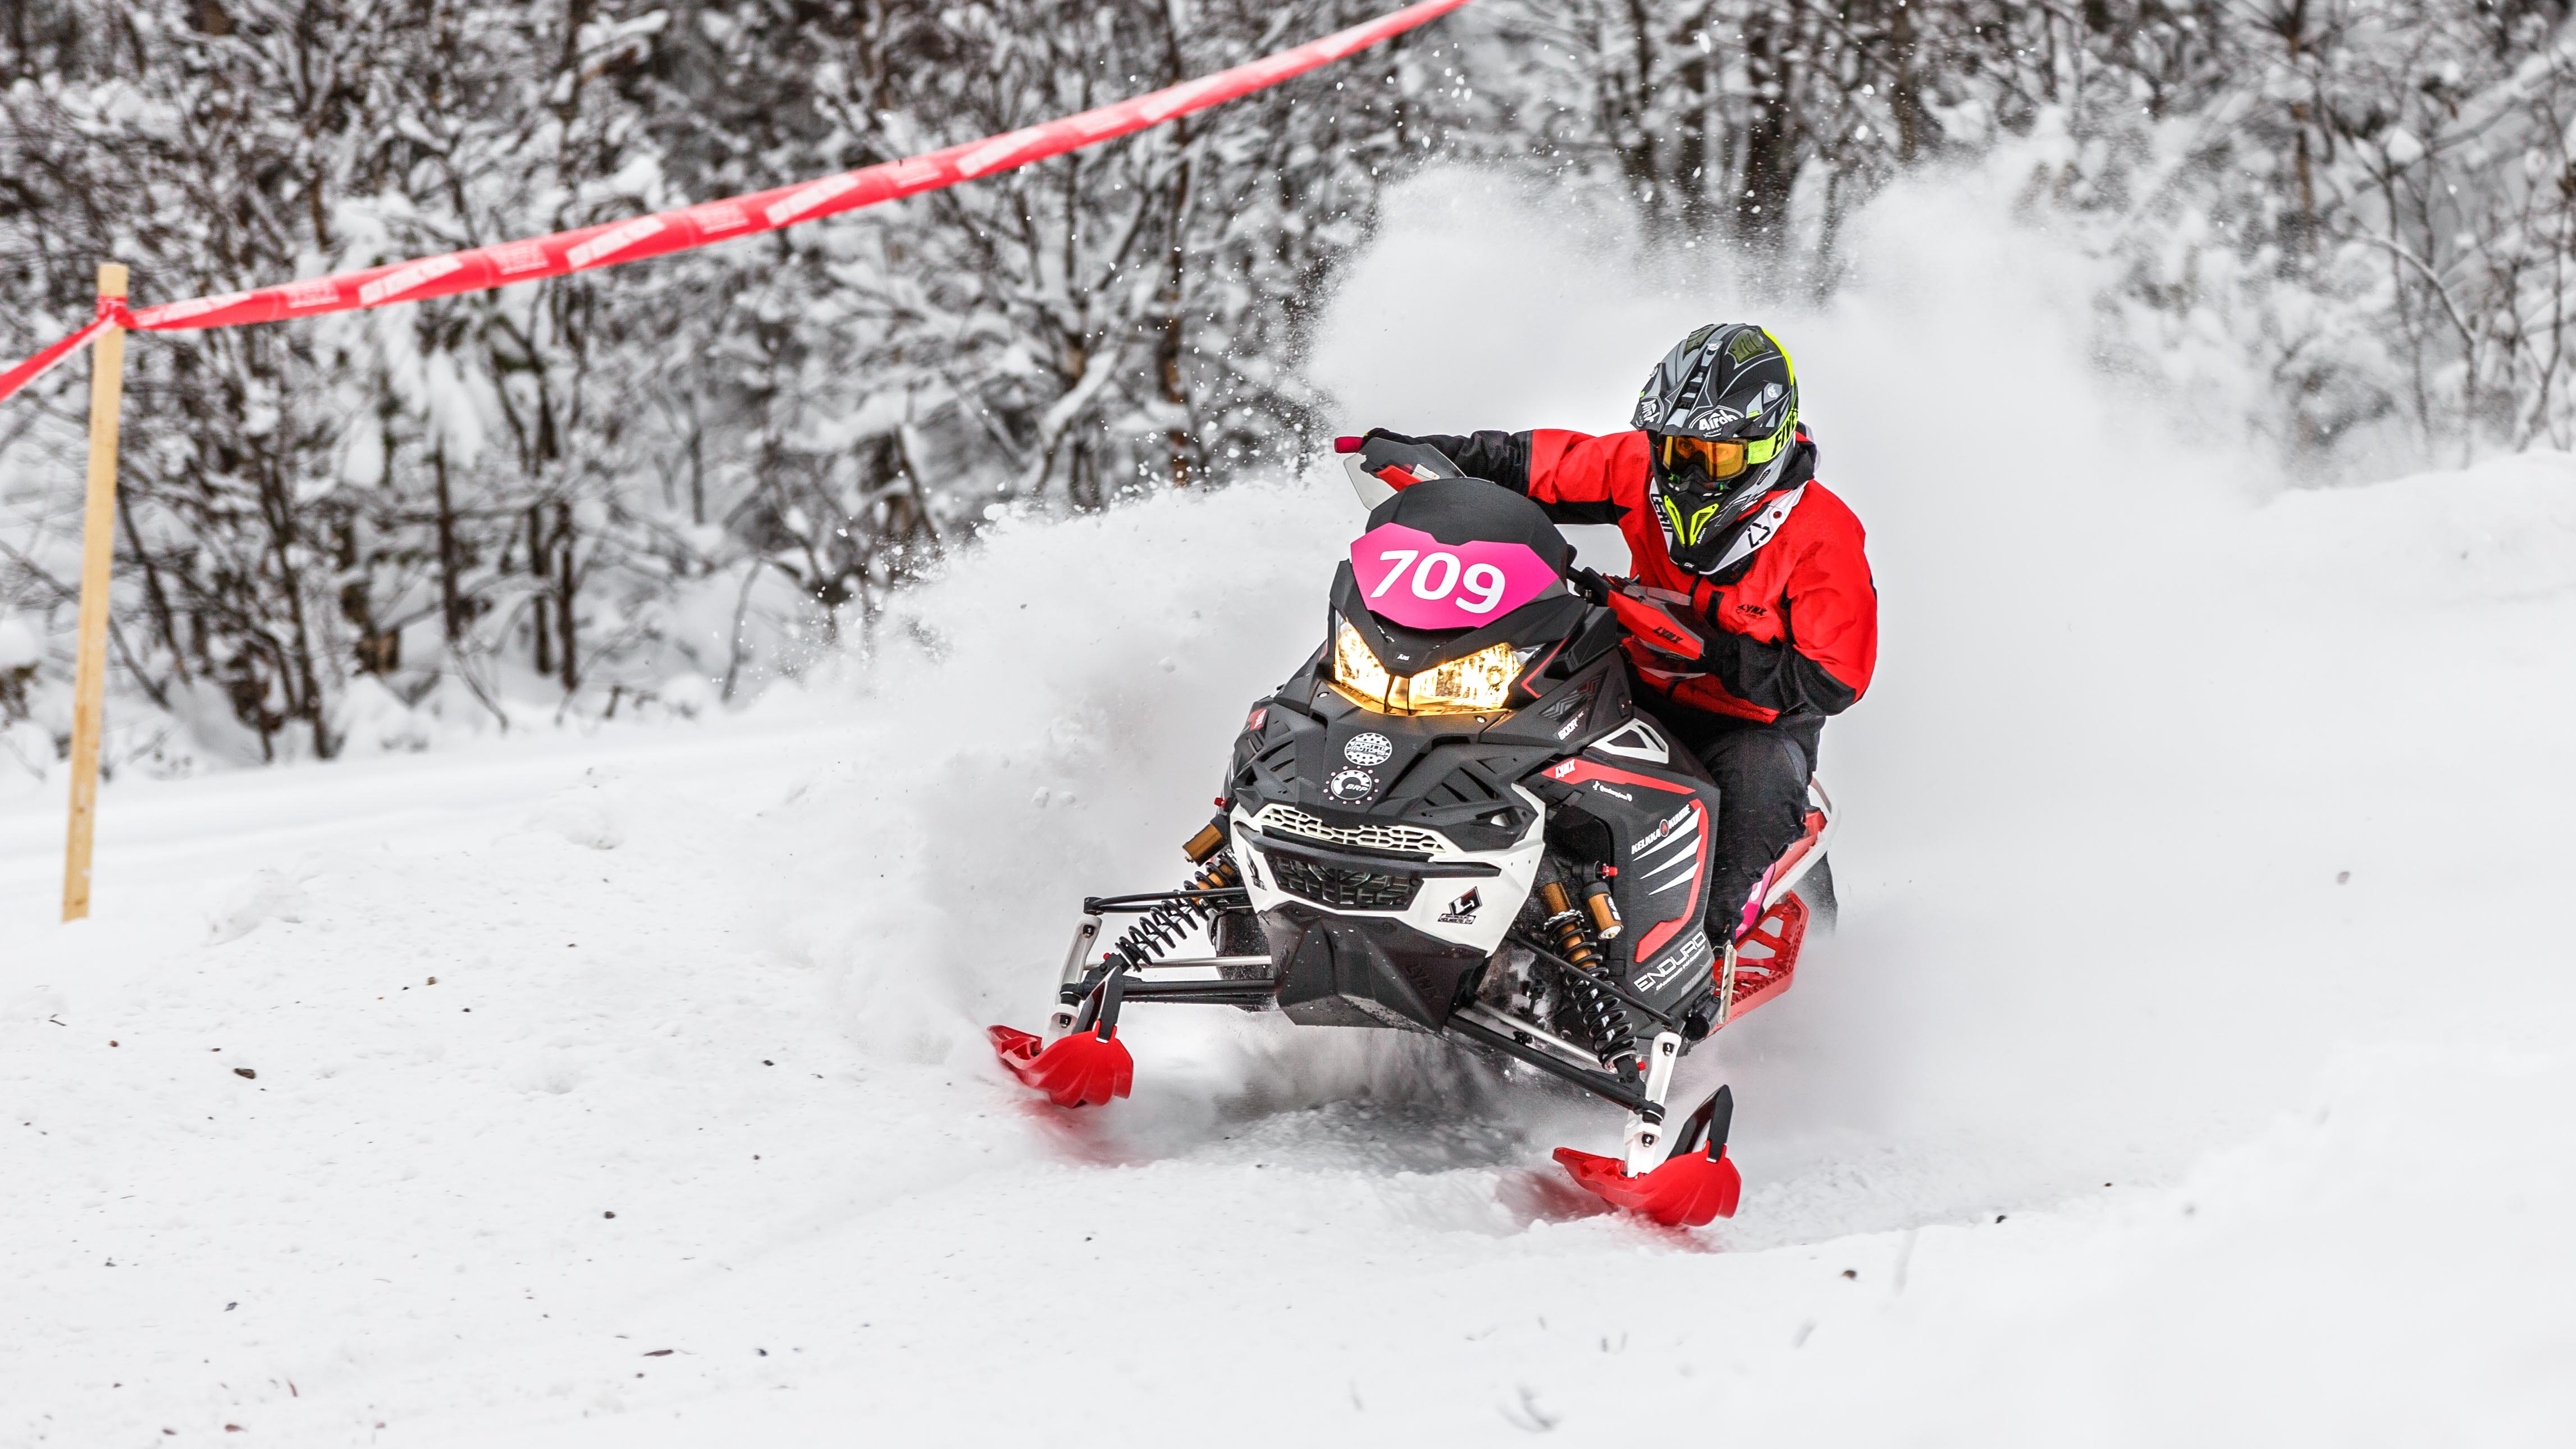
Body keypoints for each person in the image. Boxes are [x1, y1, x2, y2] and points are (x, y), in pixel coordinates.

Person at [1367, 322, 1878, 945]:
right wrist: (1427, 458)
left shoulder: (1825, 536)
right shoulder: (1640, 468)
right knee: (1497, 700)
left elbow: (1832, 678)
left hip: (1750, 726)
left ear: (1766, 443)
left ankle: (1699, 958)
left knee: (1759, 787)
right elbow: (1534, 464)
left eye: (1714, 456)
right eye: (1677, 450)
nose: (1690, 476)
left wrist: (1711, 651)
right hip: (1632, 681)